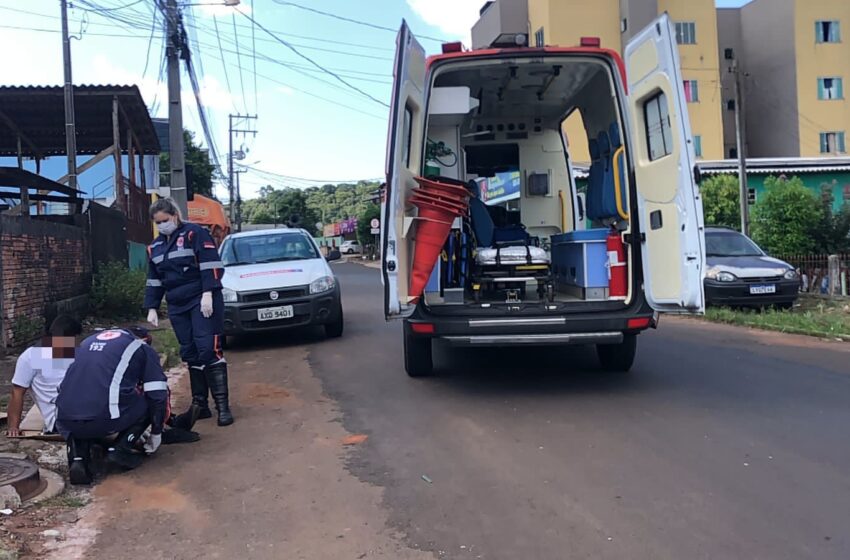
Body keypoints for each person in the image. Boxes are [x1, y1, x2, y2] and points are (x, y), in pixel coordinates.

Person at [144, 198, 233, 426]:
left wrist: (208, 293)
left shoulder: (195, 234)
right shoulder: (154, 247)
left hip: (201, 300)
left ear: (175, 214)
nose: (163, 225)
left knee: (208, 349)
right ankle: (200, 404)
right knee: (190, 352)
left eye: (165, 220)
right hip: (177, 305)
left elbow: (211, 264)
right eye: (158, 222)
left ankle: (223, 407)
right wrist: (152, 306)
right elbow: (154, 279)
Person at [56, 327, 170, 485]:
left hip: (64, 417)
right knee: (147, 400)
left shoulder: (86, 343)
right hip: (105, 418)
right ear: (145, 339)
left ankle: (78, 458)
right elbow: (157, 394)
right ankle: (119, 450)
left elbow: (62, 387)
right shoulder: (141, 347)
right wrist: (156, 432)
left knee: (81, 408)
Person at [5, 315, 83, 437]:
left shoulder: (76, 354)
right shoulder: (31, 357)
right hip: (66, 420)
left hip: (80, 415)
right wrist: (13, 427)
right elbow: (17, 392)